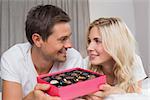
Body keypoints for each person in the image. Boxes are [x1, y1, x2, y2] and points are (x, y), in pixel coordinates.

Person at [1, 4, 83, 100]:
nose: (69, 45)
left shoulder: (74, 58)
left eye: (69, 37)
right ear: (37, 40)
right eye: (62, 39)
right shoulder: (13, 58)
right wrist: (33, 98)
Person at [82, 17, 147, 99]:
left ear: (115, 43)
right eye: (89, 41)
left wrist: (118, 92)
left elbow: (135, 94)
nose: (89, 48)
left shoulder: (133, 61)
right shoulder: (86, 63)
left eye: (97, 41)